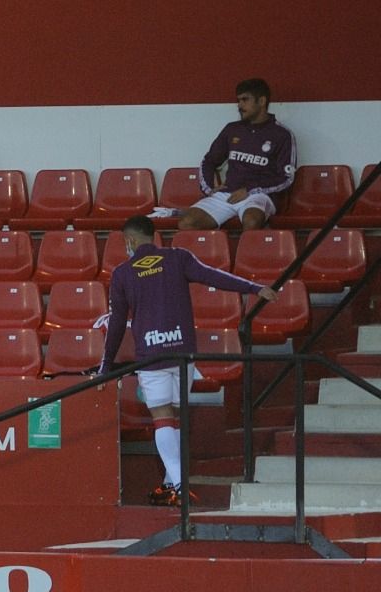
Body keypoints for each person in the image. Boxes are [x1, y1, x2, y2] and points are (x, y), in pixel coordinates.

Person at [98, 216, 278, 507]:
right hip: (183, 350)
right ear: (153, 236)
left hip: (152, 352)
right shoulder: (178, 257)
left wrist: (105, 366)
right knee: (176, 418)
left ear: (129, 241)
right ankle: (171, 483)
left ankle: (180, 484)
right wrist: (253, 287)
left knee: (162, 417)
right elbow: (213, 276)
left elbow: (117, 324)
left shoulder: (122, 273)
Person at [171, 78, 296, 231]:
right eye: (238, 101)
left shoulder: (282, 134)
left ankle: (252, 252)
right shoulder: (232, 130)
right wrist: (210, 189)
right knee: (187, 222)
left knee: (251, 221)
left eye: (245, 100)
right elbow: (209, 161)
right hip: (227, 194)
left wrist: (249, 189)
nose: (240, 106)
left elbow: (286, 178)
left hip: (259, 195)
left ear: (262, 101)